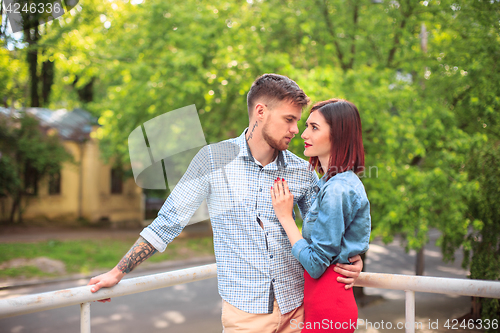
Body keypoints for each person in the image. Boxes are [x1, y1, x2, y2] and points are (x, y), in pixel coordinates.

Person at [88, 75, 364, 333]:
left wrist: (354, 257)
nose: (296, 130)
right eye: (289, 120)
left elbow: (328, 228)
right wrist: (117, 272)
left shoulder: (301, 170)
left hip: (299, 311)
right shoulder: (212, 161)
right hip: (245, 317)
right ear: (261, 112)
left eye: (299, 122)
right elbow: (167, 222)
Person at [271, 98, 371, 332]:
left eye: (314, 128)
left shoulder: (337, 189)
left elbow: (316, 264)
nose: (303, 134)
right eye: (307, 126)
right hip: (321, 304)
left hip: (330, 307)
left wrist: (286, 218)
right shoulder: (332, 183)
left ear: (338, 135)